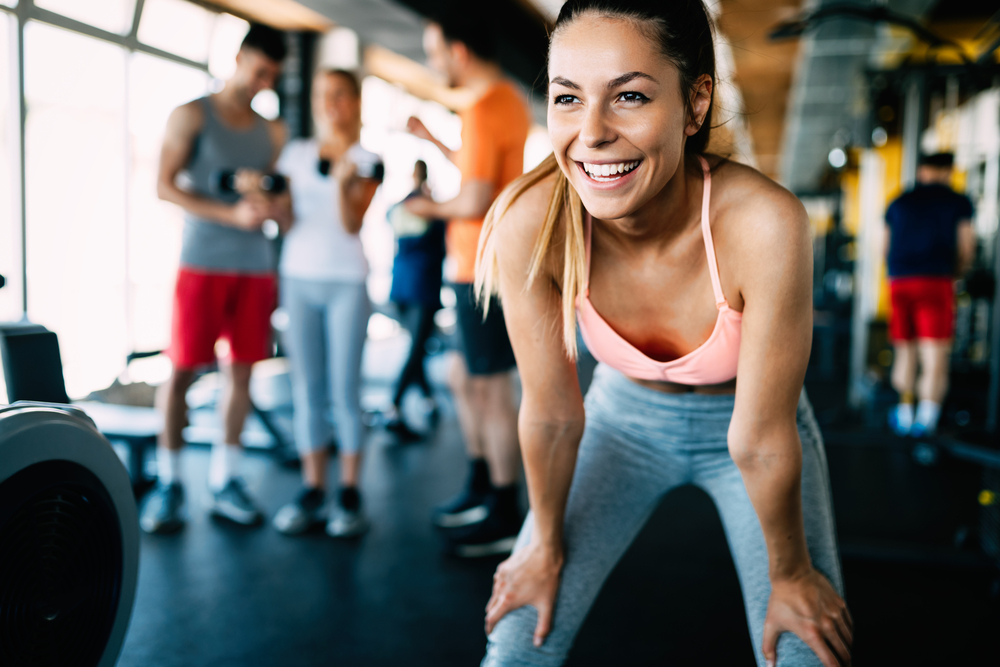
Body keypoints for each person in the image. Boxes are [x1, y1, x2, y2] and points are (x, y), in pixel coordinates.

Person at [474, 1, 850, 665]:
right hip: (621, 423)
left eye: (630, 96)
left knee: (805, 650)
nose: (590, 133)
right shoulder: (529, 224)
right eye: (567, 97)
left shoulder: (765, 224)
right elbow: (554, 415)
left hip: (753, 427)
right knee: (514, 644)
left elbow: (760, 439)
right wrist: (542, 544)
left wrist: (791, 575)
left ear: (695, 102)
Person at [141, 23, 290, 534]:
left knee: (243, 374)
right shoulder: (190, 115)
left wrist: (269, 206)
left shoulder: (272, 132)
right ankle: (170, 482)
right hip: (202, 262)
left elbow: (276, 198)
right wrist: (229, 216)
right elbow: (163, 186)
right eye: (260, 71)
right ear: (241, 56)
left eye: (273, 77)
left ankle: (226, 479)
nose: (264, 83)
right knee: (182, 371)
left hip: (254, 268)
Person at [404, 11, 531, 557]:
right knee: (464, 376)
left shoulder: (483, 108)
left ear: (458, 50)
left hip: (482, 267)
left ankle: (505, 510)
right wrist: (434, 139)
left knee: (492, 387)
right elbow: (480, 173)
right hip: (477, 266)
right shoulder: (502, 102)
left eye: (434, 50)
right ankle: (484, 487)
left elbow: (475, 199)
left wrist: (424, 206)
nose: (433, 61)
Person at [271, 69, 382, 537]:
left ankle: (350, 493)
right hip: (298, 277)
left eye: (339, 95)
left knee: (344, 390)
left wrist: (340, 181)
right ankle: (314, 487)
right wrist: (267, 198)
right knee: (306, 389)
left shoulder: (367, 160)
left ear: (354, 102)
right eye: (322, 95)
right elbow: (286, 217)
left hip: (346, 281)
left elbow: (351, 223)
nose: (330, 104)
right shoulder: (295, 155)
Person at [885, 152, 975, 437]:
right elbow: (967, 246)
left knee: (904, 351)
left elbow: (883, 246)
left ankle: (904, 412)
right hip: (935, 282)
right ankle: (926, 420)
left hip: (899, 282)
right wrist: (958, 274)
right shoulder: (957, 200)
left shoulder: (899, 200)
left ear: (922, 170)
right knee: (934, 353)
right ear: (947, 171)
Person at [384, 160, 446, 439]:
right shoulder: (431, 209)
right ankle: (393, 406)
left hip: (401, 285)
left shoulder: (398, 208)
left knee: (416, 347)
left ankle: (427, 399)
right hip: (422, 286)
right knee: (417, 349)